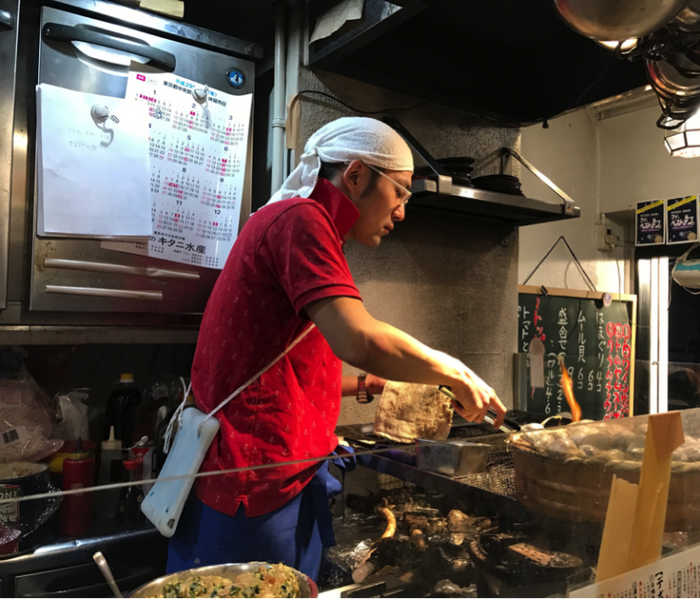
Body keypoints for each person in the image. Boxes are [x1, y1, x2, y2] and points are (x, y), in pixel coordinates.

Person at [166, 117, 506, 579]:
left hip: (273, 475)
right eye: (401, 192)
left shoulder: (300, 222)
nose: (403, 211)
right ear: (356, 175)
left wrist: (366, 385)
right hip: (253, 485)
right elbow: (358, 338)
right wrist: (456, 372)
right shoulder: (302, 221)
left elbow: (277, 367)